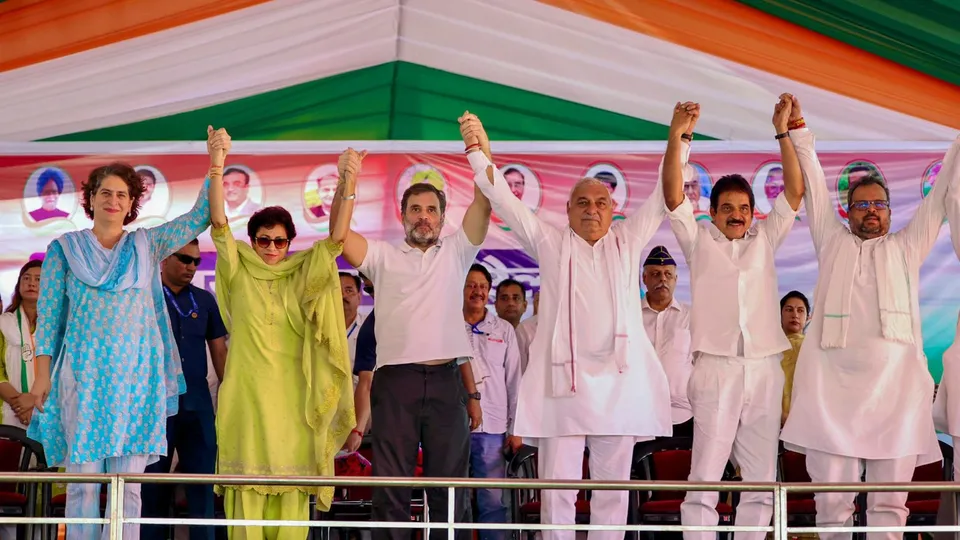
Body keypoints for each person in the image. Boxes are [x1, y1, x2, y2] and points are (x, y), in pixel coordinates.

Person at [464, 111, 672, 540]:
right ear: (568, 210)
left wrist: (679, 139)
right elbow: (503, 197)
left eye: (600, 203)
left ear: (614, 210)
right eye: (582, 202)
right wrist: (478, 149)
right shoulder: (550, 242)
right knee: (557, 490)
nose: (592, 210)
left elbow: (664, 196)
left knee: (612, 493)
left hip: (619, 386)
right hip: (564, 387)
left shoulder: (629, 241)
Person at [28, 127, 227, 540]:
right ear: (91, 199)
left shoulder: (147, 245)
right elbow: (47, 319)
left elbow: (198, 217)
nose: (113, 201)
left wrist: (216, 163)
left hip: (136, 379)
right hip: (83, 376)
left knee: (130, 487)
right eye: (105, 193)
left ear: (132, 203)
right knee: (84, 483)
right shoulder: (63, 250)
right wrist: (43, 374)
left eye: (122, 195)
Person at [781, 96, 954, 540]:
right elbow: (815, 185)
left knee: (889, 507)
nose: (871, 210)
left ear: (891, 212)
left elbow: (938, 201)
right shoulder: (832, 242)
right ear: (848, 212)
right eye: (861, 205)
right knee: (831, 508)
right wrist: (797, 130)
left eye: (879, 204)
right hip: (832, 393)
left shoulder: (906, 247)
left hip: (893, 396)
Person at [340, 112, 491, 540]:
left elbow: (486, 198)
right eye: (415, 209)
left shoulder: (458, 251)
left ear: (443, 217)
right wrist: (348, 182)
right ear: (401, 214)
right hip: (396, 382)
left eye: (431, 210)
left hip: (446, 382)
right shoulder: (381, 257)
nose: (423, 216)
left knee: (450, 490)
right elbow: (339, 233)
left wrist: (478, 147)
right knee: (392, 488)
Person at [665, 97, 803, 540]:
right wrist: (678, 136)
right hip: (715, 368)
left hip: (764, 367)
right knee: (705, 473)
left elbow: (795, 192)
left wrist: (782, 133)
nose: (737, 215)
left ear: (752, 212)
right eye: (728, 208)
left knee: (761, 478)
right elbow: (672, 196)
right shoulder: (698, 241)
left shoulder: (766, 239)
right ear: (713, 212)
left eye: (744, 208)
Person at [212, 148, 360, 540]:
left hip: (294, 403)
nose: (272, 249)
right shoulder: (237, 269)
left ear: (290, 242)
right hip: (246, 401)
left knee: (292, 501)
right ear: (253, 240)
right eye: (264, 241)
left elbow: (337, 240)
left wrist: (349, 183)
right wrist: (216, 164)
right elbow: (218, 223)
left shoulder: (302, 274)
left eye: (280, 242)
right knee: (245, 501)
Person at [141, 239, 228, 540]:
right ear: (164, 260)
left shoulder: (205, 300)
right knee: (152, 490)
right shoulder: (144, 297)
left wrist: (228, 396)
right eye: (185, 259)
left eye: (196, 262)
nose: (191, 266)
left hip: (198, 405)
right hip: (155, 409)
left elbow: (219, 351)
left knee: (202, 487)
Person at [462, 264, 522, 540]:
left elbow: (514, 381)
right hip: (453, 425)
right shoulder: (446, 324)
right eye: (471, 285)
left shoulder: (504, 329)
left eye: (482, 286)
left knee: (492, 500)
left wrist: (515, 429)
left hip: (493, 425)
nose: (477, 291)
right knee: (454, 497)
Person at [640, 246, 693, 437]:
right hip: (639, 412)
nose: (662, 279)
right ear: (644, 279)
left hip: (682, 415)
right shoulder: (630, 316)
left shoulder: (691, 317)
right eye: (655, 274)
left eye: (667, 274)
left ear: (676, 280)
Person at [0, 260, 42, 429]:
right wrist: (20, 404)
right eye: (26, 278)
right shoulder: (3, 324)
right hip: (8, 410)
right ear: (18, 285)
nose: (31, 283)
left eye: (39, 279)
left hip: (47, 409)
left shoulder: (57, 327)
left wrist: (34, 400)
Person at [778, 291, 809, 426]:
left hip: (805, 420)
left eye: (800, 310)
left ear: (808, 317)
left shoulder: (813, 349)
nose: (795, 315)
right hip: (771, 419)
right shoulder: (768, 349)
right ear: (779, 315)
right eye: (789, 309)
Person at [339, 272, 365, 379]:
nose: (343, 295)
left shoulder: (370, 327)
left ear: (359, 297)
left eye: (349, 290)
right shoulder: (315, 329)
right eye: (336, 291)